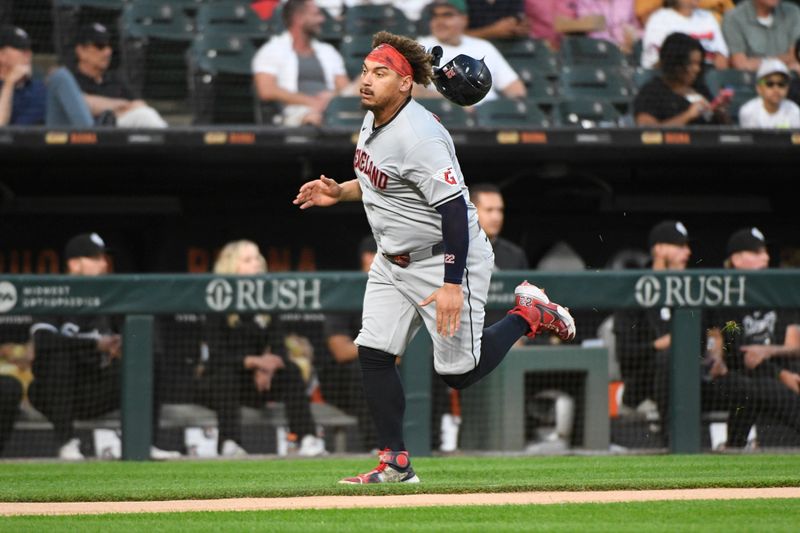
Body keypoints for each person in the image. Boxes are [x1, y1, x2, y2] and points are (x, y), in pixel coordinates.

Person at [293, 30, 575, 483]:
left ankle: (529, 315)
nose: (367, 81)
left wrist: (449, 285)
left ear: (405, 84)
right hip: (392, 260)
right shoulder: (372, 118)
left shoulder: (419, 137)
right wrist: (340, 191)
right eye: (366, 71)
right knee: (374, 352)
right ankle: (395, 463)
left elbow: (455, 216)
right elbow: (384, 182)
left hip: (442, 257)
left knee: (458, 375)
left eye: (381, 74)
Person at [27, 233, 179, 460]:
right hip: (53, 391)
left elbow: (130, 335)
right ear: (74, 264)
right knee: (59, 358)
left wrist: (124, 346)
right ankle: (67, 443)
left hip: (95, 388)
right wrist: (95, 344)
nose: (103, 263)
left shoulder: (110, 297)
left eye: (103, 258)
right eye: (95, 258)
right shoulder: (54, 294)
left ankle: (145, 442)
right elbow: (43, 341)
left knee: (148, 358)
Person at [195, 240, 326, 457]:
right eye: (248, 260)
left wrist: (268, 367)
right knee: (225, 376)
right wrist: (255, 362)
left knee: (291, 371)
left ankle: (307, 438)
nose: (256, 263)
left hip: (260, 382)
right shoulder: (217, 301)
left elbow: (278, 346)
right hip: (222, 383)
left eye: (257, 258)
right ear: (231, 266)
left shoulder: (267, 299)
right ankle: (229, 443)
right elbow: (217, 355)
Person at [705, 227, 800, 448]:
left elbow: (793, 344)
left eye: (765, 252)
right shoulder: (725, 297)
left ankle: (734, 447)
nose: (766, 257)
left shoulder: (778, 292)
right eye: (757, 253)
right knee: (758, 389)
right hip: (737, 377)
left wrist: (770, 351)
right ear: (737, 259)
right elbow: (741, 355)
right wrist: (782, 374)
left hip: (780, 371)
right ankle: (734, 447)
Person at [613, 220, 691, 439]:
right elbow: (625, 353)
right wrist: (661, 344)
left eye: (686, 246)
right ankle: (671, 440)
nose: (687, 252)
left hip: (691, 373)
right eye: (679, 246)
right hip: (643, 379)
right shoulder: (636, 290)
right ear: (659, 249)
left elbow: (710, 333)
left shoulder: (692, 288)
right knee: (668, 358)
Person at [320, 235, 378, 451]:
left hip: (394, 369)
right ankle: (376, 445)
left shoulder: (402, 288)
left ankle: (434, 444)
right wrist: (386, 351)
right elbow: (341, 351)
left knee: (426, 365)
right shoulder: (346, 291)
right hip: (340, 383)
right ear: (366, 258)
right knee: (365, 367)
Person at [252, 0, 350, 126]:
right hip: (294, 111)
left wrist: (330, 97)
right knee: (313, 118)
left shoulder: (328, 51)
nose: (322, 20)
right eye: (316, 15)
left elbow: (344, 87)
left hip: (331, 108)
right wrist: (311, 102)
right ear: (299, 18)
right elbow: (266, 90)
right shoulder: (271, 50)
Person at [416, 0, 526, 104]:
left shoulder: (483, 46)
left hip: (487, 117)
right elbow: (413, 90)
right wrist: (457, 104)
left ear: (464, 19)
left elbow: (515, 88)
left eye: (447, 15)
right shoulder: (420, 47)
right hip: (448, 117)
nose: (439, 22)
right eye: (435, 16)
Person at [70, 23, 167, 129]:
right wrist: (122, 105)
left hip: (119, 137)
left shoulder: (114, 79)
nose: (107, 51)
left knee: (145, 114)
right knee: (144, 116)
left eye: (109, 46)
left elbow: (139, 104)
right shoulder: (71, 79)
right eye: (100, 46)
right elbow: (81, 104)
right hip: (88, 135)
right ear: (81, 51)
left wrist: (110, 108)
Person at [0, 24, 93, 127]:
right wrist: (9, 83)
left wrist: (114, 105)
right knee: (60, 76)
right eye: (21, 50)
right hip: (22, 140)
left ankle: (96, 135)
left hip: (54, 137)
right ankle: (93, 136)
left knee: (60, 77)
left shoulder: (38, 84)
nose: (28, 54)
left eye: (29, 49)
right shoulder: (5, 89)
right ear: (2, 55)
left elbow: (79, 103)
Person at [634, 32, 729, 126]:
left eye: (698, 64)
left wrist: (718, 111)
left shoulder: (699, 88)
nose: (697, 69)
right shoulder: (652, 92)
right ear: (676, 63)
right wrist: (688, 115)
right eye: (691, 63)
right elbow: (647, 132)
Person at [640, 0, 729, 69]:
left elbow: (721, 57)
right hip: (674, 77)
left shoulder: (708, 17)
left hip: (707, 74)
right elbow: (654, 63)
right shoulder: (659, 19)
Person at [722, 0, 800, 75]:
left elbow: (796, 56)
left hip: (789, 80)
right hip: (751, 82)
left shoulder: (793, 13)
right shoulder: (734, 18)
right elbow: (741, 64)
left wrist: (758, 62)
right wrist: (784, 65)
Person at [470, 183, 528, 270]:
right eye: (489, 210)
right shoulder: (453, 251)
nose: (496, 217)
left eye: (500, 210)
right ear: (471, 211)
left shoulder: (514, 255)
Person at [738, 57, 800, 128]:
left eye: (781, 84)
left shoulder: (794, 111)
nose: (776, 89)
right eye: (769, 84)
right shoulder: (748, 111)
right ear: (759, 88)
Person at [575, 0, 641, 55]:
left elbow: (634, 27)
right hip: (597, 51)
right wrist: (617, 43)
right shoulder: (585, 2)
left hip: (627, 51)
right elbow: (589, 30)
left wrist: (633, 35)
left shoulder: (627, 1)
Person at [465, 0, 529, 41]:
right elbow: (457, 36)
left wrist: (520, 27)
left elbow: (519, 19)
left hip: (513, 49)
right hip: (473, 51)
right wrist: (492, 31)